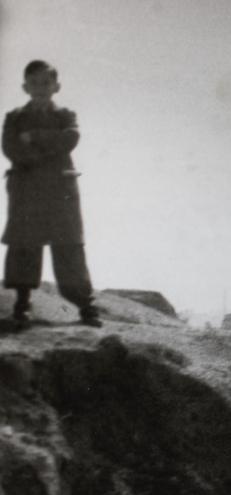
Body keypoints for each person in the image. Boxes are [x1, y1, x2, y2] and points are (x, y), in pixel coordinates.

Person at [1, 60, 101, 328]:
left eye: (46, 83)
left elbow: (70, 138)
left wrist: (34, 136)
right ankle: (22, 305)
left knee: (68, 246)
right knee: (24, 246)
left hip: (60, 192)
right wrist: (46, 151)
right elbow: (10, 147)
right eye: (34, 83)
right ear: (25, 87)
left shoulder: (66, 116)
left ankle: (87, 308)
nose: (40, 88)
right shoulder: (14, 118)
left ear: (56, 86)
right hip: (26, 191)